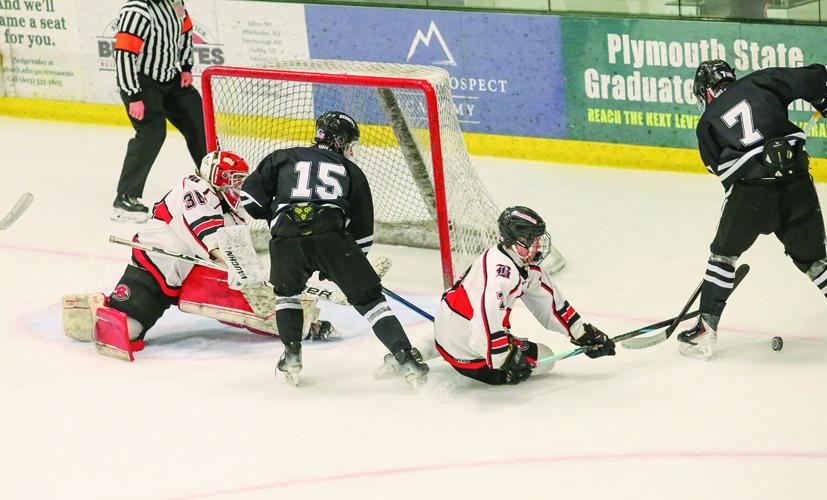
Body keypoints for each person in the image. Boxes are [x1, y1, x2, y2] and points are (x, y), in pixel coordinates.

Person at [62, 151, 332, 361]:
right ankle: (100, 306)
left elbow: (234, 251)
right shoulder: (194, 189)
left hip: (189, 272)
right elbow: (208, 234)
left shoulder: (232, 212)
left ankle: (296, 324)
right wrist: (238, 269)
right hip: (154, 270)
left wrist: (254, 278)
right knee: (127, 331)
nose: (239, 186)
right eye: (234, 180)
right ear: (216, 177)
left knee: (247, 304)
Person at [239, 111, 430, 387]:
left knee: (287, 295)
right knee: (371, 301)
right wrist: (346, 266)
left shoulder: (282, 157)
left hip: (286, 241)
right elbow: (362, 231)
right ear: (340, 141)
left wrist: (278, 216)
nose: (351, 150)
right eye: (350, 143)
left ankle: (291, 356)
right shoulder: (351, 171)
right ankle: (406, 359)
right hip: (333, 240)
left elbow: (249, 198)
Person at [679, 60, 827, 360]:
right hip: (797, 184)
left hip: (751, 193)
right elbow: (818, 75)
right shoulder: (762, 81)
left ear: (706, 92)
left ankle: (705, 330)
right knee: (816, 262)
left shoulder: (707, 121)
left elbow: (718, 169)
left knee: (724, 256)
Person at [431, 206, 615, 385]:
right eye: (531, 239)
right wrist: (505, 359)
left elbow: (550, 306)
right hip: (467, 350)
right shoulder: (500, 275)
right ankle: (457, 353)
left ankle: (430, 347)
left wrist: (583, 333)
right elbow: (487, 315)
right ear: (514, 240)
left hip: (448, 324)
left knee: (526, 351)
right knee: (546, 358)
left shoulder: (522, 264)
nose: (537, 245)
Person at [112, 0, 207, 222]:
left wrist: (185, 67)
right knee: (152, 133)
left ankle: (215, 184)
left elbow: (185, 32)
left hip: (171, 78)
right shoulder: (137, 10)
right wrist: (133, 95)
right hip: (141, 82)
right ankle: (126, 198)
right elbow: (124, 54)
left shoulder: (175, 2)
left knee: (200, 122)